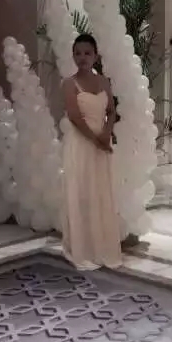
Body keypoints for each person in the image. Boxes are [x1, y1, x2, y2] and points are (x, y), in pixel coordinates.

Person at [61, 33, 122, 271]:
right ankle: (82, 248)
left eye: (87, 53)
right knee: (82, 193)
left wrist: (107, 132)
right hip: (81, 144)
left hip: (101, 143)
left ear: (96, 56)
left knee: (100, 192)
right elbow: (75, 117)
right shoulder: (69, 83)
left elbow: (112, 111)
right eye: (78, 53)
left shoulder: (104, 82)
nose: (82, 58)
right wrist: (96, 140)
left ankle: (101, 246)